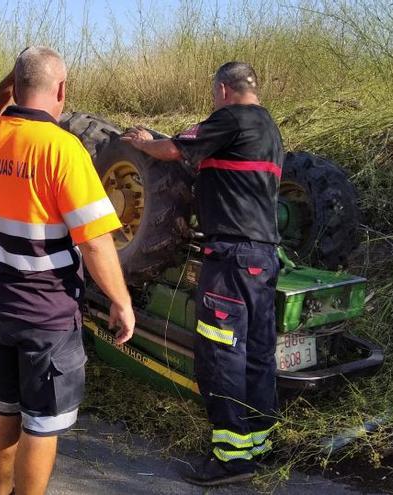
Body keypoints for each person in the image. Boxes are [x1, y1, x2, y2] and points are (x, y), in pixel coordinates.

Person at [0, 47, 136, 495]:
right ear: (61, 89)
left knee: (3, 406)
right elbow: (95, 240)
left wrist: (17, 73)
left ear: (16, 85)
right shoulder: (63, 149)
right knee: (42, 423)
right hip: (46, 312)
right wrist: (121, 300)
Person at [121, 61, 283, 487]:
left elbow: (174, 149)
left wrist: (143, 141)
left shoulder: (229, 119)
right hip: (263, 257)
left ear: (225, 90)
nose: (213, 100)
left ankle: (230, 459)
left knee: (221, 355)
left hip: (230, 257)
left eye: (214, 93)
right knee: (257, 352)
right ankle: (258, 444)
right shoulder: (268, 129)